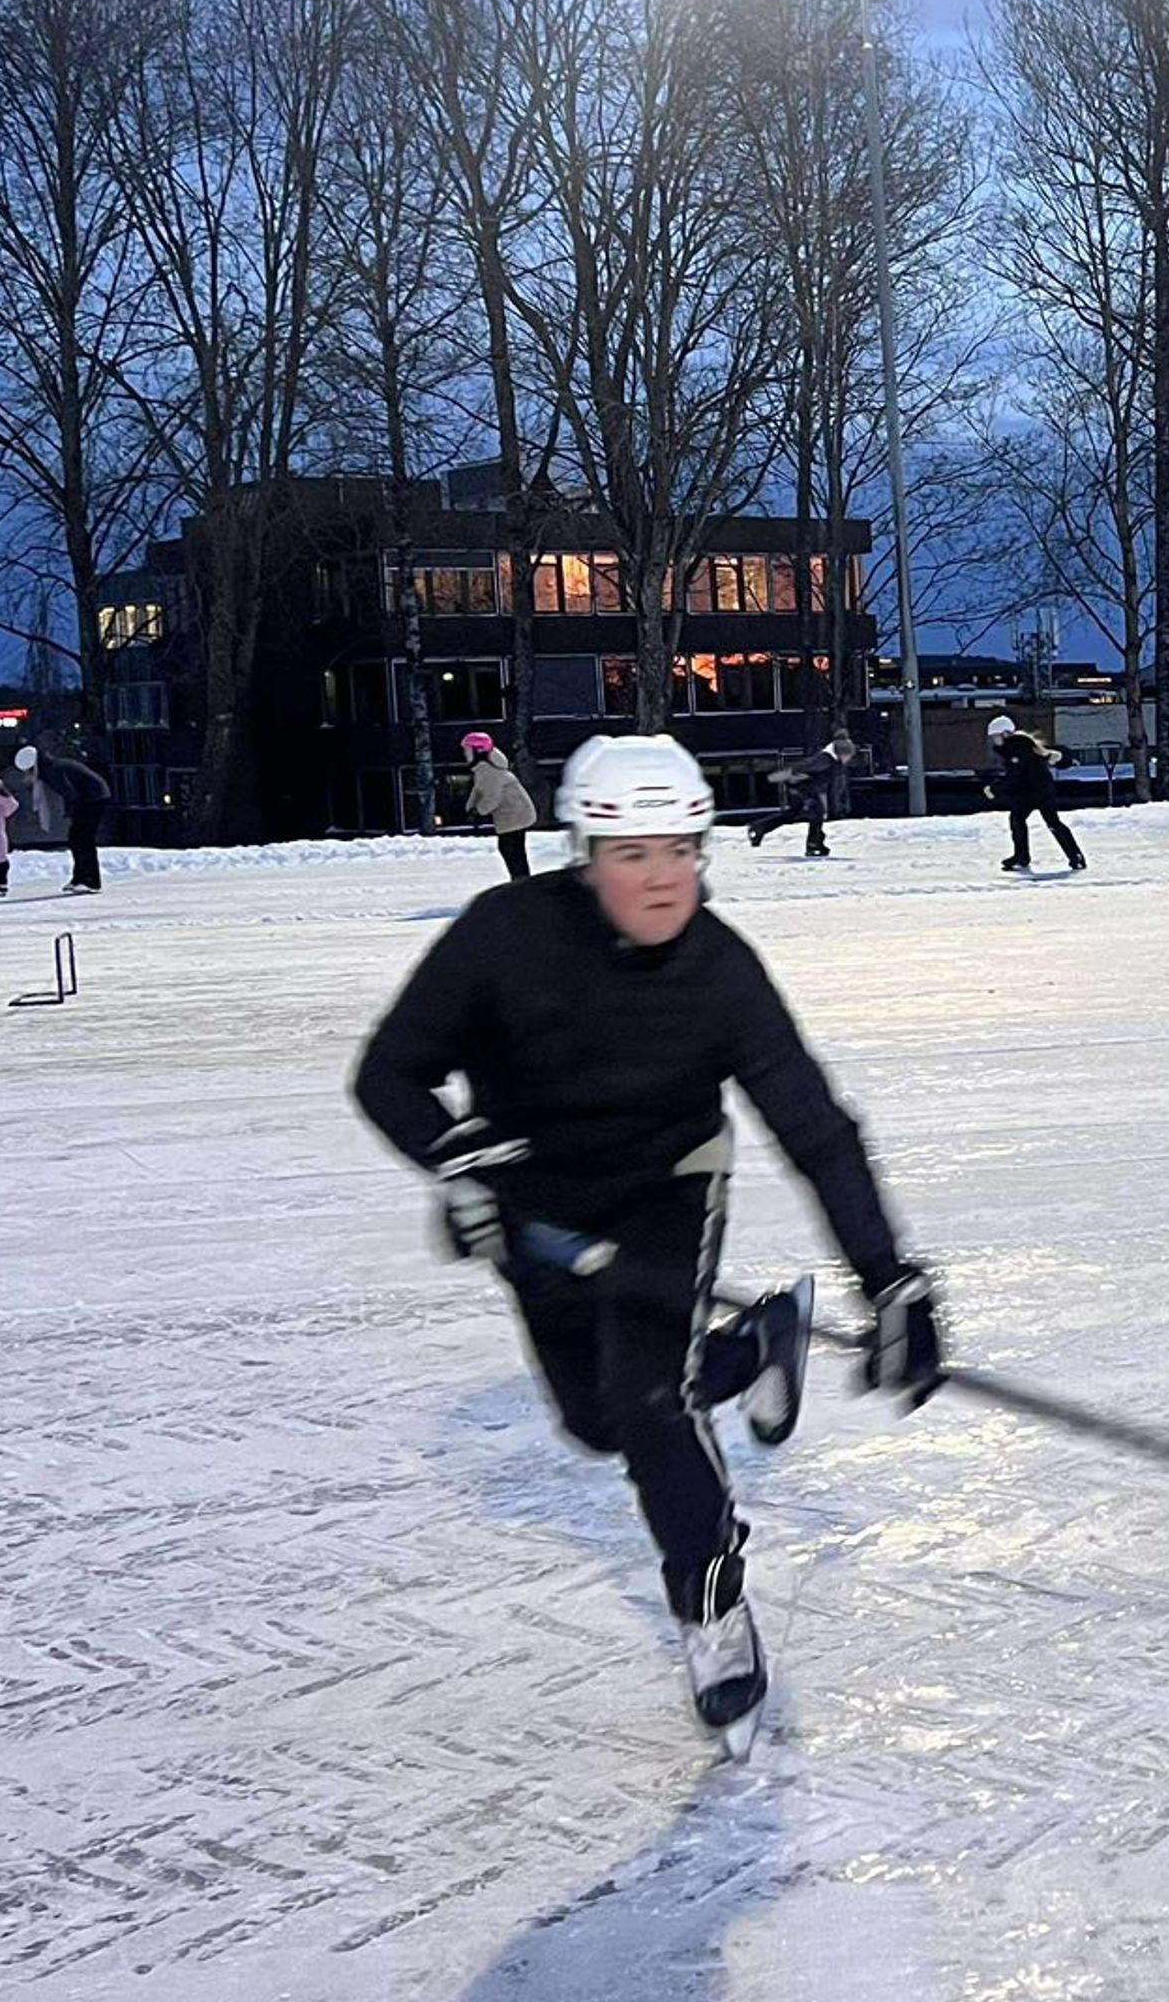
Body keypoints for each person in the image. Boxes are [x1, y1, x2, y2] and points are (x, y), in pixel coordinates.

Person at [349, 732, 945, 1753]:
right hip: (533, 1208)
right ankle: (756, 1346)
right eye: (633, 854)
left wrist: (893, 1282)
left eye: (682, 849)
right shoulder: (503, 937)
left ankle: (712, 1608)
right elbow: (388, 1074)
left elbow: (813, 1125)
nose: (663, 877)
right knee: (592, 1421)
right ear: (586, 856)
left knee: (648, 1400)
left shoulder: (719, 968)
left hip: (669, 1189)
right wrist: (455, 1163)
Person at [985, 717, 1084, 873]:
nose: (994, 740)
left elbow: (1014, 776)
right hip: (1027, 793)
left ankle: (1075, 857)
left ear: (1005, 734)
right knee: (1018, 820)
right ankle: (1022, 857)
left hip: (1041, 792)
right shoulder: (1016, 747)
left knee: (1052, 823)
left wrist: (995, 789)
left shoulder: (1018, 748)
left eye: (995, 736)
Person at [745, 730, 858, 857]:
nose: (849, 758)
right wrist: (779, 776)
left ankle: (760, 827)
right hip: (802, 787)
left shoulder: (831, 760)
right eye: (848, 755)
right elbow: (803, 767)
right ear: (841, 752)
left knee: (794, 813)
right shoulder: (825, 759)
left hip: (803, 787)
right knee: (817, 813)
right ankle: (814, 844)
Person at [17, 742, 109, 893]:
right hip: (91, 798)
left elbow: (70, 792)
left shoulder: (53, 770)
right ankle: (80, 878)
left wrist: (73, 811)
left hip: (92, 799)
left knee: (83, 840)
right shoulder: (53, 767)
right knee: (77, 839)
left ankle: (91, 880)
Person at [461, 731, 538, 882]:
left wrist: (478, 811)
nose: (465, 754)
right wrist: (470, 807)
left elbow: (492, 798)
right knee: (512, 849)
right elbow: (478, 790)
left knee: (511, 849)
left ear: (478, 752)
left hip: (515, 816)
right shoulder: (484, 769)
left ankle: (521, 882)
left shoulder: (489, 771)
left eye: (467, 750)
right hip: (513, 815)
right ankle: (521, 881)